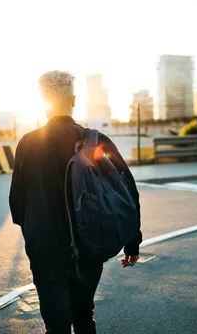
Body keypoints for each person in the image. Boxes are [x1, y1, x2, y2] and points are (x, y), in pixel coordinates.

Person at [9, 70, 142, 333]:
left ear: (44, 100)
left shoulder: (28, 143)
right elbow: (127, 191)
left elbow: (16, 203)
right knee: (83, 313)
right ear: (73, 100)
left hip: (45, 248)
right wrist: (132, 242)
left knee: (56, 323)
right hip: (89, 243)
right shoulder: (94, 140)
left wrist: (35, 234)